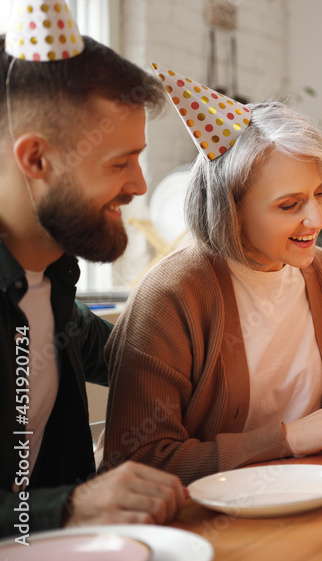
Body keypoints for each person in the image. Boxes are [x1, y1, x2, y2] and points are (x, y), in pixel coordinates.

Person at [101, 71, 322, 485]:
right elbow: (139, 463)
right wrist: (287, 439)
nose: (316, 218)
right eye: (290, 204)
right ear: (230, 210)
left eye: (321, 192)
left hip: (312, 497)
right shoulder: (172, 295)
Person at [0, 5, 186, 536]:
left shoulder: (53, 286)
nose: (139, 186)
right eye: (119, 163)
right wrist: (68, 507)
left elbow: (141, 363)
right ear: (36, 159)